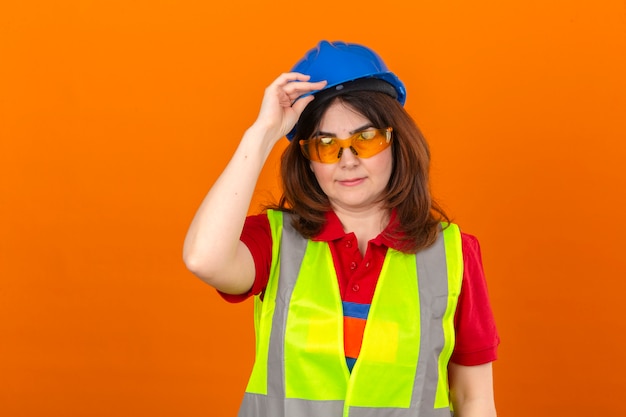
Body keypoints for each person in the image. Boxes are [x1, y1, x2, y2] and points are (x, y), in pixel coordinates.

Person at [183, 40, 499, 417]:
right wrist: (263, 132)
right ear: (309, 161)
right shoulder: (275, 241)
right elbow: (203, 258)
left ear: (396, 142)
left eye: (365, 139)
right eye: (326, 144)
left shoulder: (452, 253)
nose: (347, 160)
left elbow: (473, 398)